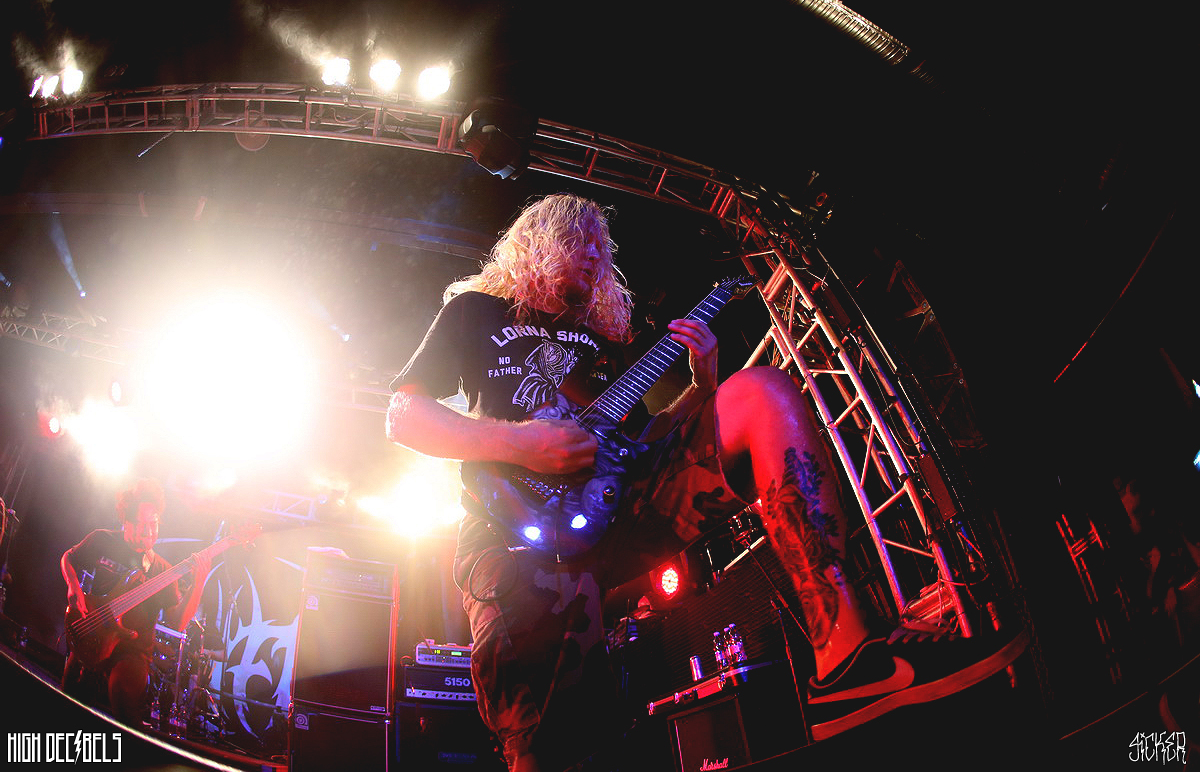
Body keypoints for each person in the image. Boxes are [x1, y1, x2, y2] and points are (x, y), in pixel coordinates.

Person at [386, 193, 1028, 771]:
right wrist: (522, 442)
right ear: (538, 243)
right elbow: (404, 415)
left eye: (601, 249)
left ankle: (846, 654)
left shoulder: (603, 346)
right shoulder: (476, 312)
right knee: (544, 744)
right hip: (510, 529)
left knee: (760, 392)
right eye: (577, 241)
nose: (592, 258)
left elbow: (641, 442)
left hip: (612, 512)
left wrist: (701, 388)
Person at [60, 478, 210, 724]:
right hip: (93, 633)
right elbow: (68, 558)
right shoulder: (103, 540)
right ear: (126, 523)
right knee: (68, 698)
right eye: (141, 524)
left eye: (154, 524)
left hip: (133, 651)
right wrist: (73, 588)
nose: (149, 531)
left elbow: (178, 622)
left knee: (122, 694)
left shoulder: (162, 571)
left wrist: (199, 582)